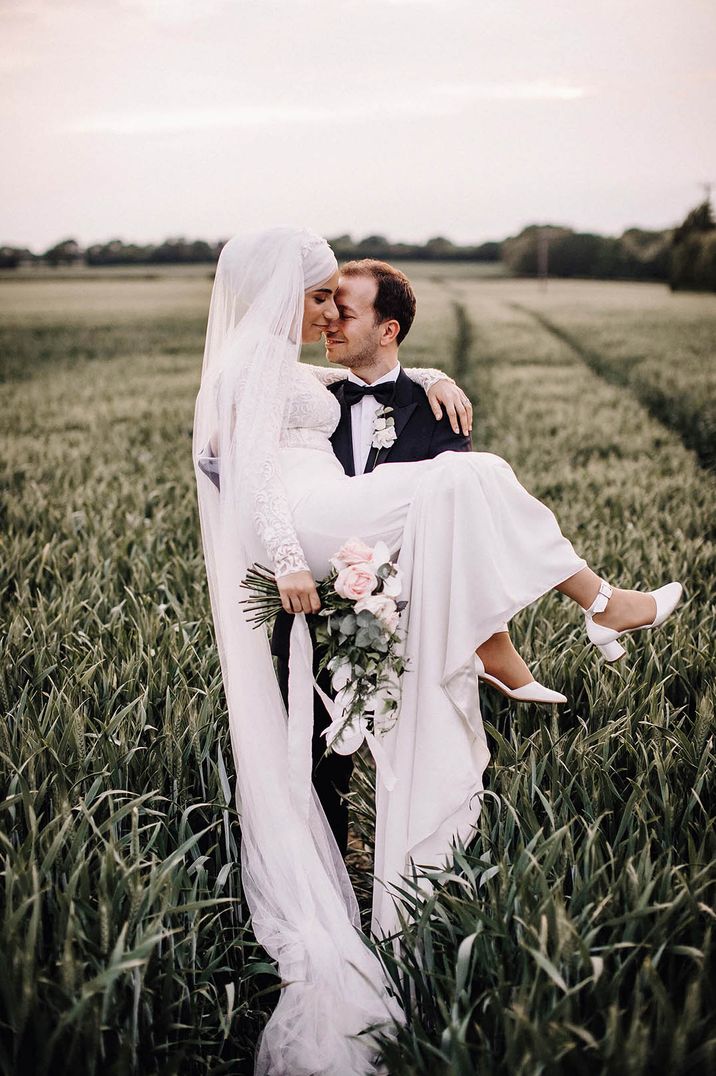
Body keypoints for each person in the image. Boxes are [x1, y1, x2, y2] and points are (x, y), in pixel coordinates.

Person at [193, 228, 682, 1076]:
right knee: (475, 475)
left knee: (471, 475)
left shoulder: (275, 363)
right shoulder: (252, 367)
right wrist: (282, 559)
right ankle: (601, 607)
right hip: (313, 532)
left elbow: (329, 393)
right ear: (279, 293)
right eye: (316, 297)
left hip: (332, 522)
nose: (321, 314)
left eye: (334, 304)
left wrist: (427, 375)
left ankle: (576, 616)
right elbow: (243, 470)